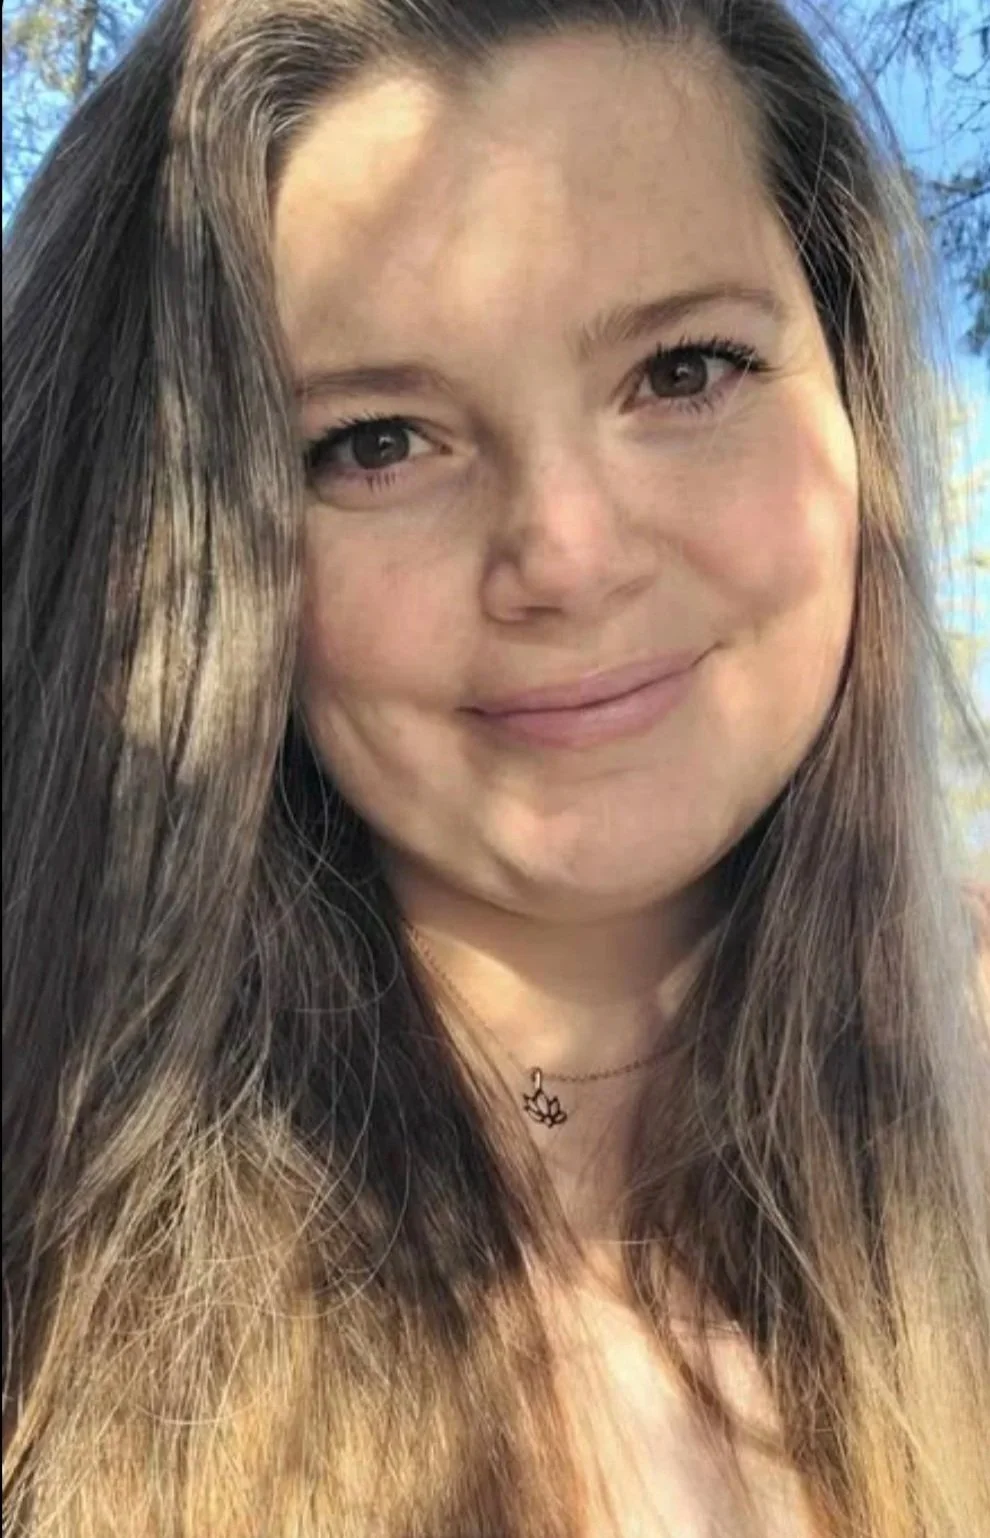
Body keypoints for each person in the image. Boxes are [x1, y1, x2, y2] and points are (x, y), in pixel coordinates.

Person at [3, 0, 989, 1533]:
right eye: (376, 441)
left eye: (683, 370)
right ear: (175, 565)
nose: (568, 555)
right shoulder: (46, 1328)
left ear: (851, 400)